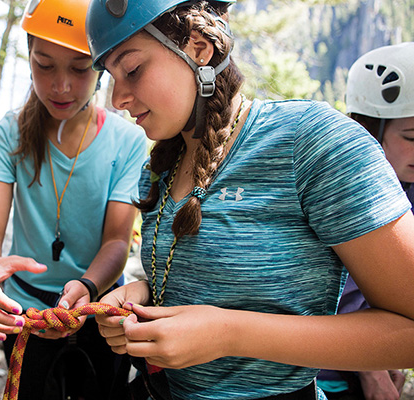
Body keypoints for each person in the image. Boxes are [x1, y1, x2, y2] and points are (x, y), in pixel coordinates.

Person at [84, 1, 414, 399]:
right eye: (111, 78)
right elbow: (207, 284)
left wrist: (229, 334)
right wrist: (144, 297)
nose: (118, 98)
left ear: (198, 47)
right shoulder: (157, 170)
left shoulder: (312, 142)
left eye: (133, 70)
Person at [0, 0, 146, 398]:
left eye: (79, 68)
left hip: (98, 310)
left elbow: (117, 239)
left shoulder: (127, 141)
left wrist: (87, 286)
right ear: (28, 58)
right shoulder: (9, 134)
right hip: (25, 310)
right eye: (44, 65)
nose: (60, 85)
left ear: (100, 67)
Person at [317, 42, 414, 400]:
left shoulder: (405, 182)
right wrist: (373, 374)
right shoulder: (337, 186)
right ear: (370, 131)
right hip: (324, 370)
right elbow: (338, 295)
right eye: (412, 137)